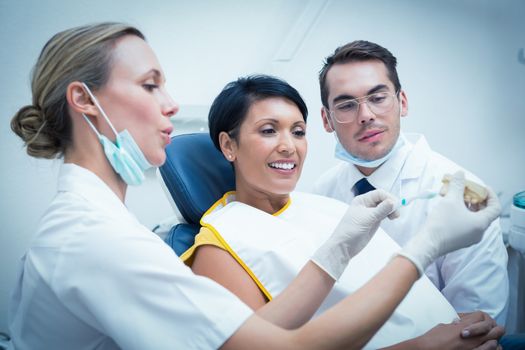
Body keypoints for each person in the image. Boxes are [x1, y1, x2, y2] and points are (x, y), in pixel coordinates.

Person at [7, 22, 499, 350]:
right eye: (150, 84)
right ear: (84, 100)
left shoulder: (105, 226)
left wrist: (338, 248)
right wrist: (426, 246)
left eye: (298, 131)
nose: (173, 104)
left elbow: (260, 329)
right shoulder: (97, 240)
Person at [183, 75, 504, 349]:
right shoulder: (220, 247)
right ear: (228, 146)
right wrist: (419, 346)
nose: (289, 146)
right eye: (269, 130)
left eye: (297, 131)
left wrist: (455, 325)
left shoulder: (322, 205)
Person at [313, 40, 509, 325]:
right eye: (346, 105)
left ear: (402, 102)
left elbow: (478, 325)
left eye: (378, 98)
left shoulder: (462, 196)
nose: (366, 115)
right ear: (327, 120)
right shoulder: (323, 192)